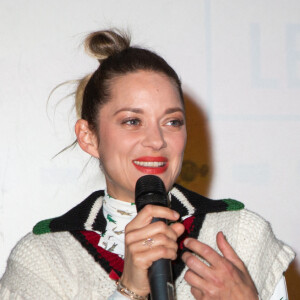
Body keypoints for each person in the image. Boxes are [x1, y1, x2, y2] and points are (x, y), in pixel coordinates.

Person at [0, 30, 295, 300]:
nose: (156, 140)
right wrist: (129, 290)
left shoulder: (242, 234)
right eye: (132, 121)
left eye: (172, 121)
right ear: (89, 137)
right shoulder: (44, 259)